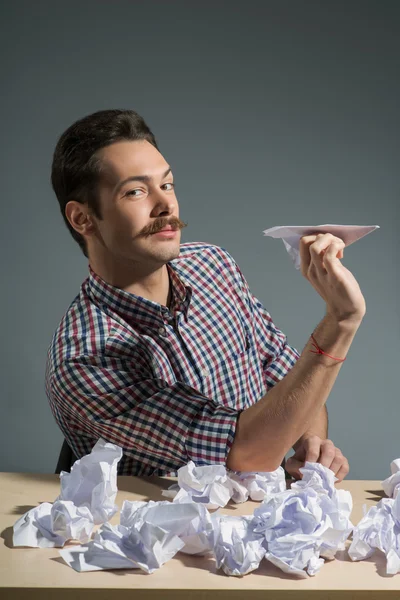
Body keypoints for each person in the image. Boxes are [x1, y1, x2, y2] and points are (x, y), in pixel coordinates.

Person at [46, 109, 364, 481]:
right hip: (168, 534)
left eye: (167, 185)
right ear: (83, 219)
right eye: (135, 191)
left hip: (262, 522)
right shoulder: (85, 359)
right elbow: (244, 451)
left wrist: (310, 441)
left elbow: (288, 377)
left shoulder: (213, 265)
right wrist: (339, 322)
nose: (166, 205)